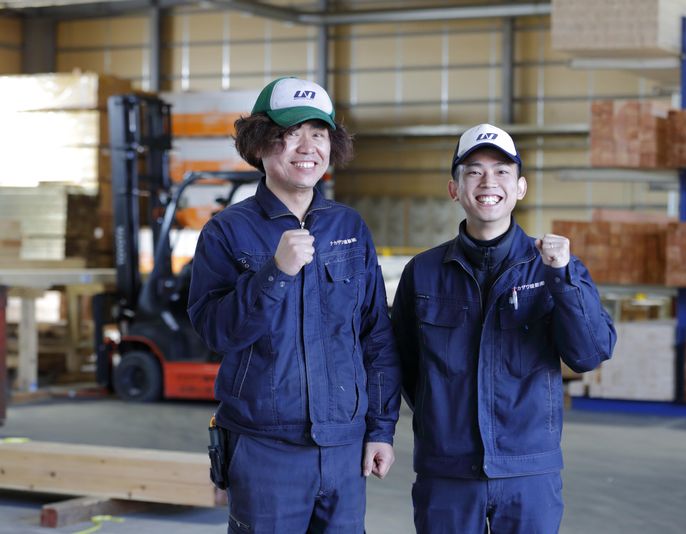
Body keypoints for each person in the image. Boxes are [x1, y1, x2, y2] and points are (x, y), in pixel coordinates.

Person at [187, 76, 401, 533]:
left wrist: (380, 429)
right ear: (259, 143)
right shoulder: (226, 231)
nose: (307, 147)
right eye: (289, 133)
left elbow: (376, 336)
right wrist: (275, 274)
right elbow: (215, 332)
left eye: (318, 134)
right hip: (265, 447)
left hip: (343, 447)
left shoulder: (349, 227)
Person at [391, 123, 617, 534]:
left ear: (520, 187)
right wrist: (440, 419)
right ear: (454, 189)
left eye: (501, 171)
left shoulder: (554, 269)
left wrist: (562, 277)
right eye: (474, 171)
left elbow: (588, 354)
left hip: (528, 473)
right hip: (447, 473)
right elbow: (404, 365)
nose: (488, 182)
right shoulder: (423, 273)